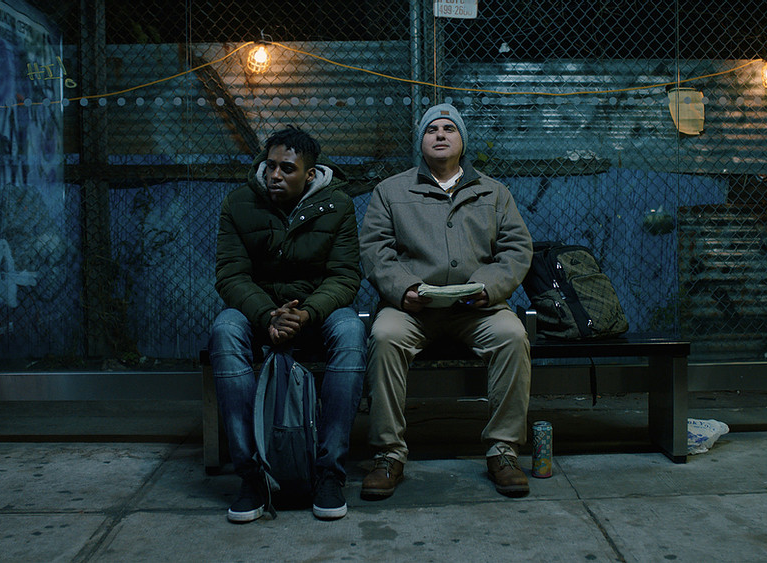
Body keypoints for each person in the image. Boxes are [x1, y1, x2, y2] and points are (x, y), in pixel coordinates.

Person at [359, 103, 534, 499]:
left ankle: (502, 451)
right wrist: (403, 288)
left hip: (477, 308)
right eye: (431, 129)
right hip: (413, 310)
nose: (440, 135)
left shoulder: (494, 192)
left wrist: (486, 287)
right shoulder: (390, 191)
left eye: (449, 129)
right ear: (421, 142)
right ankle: (389, 454)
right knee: (384, 336)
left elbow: (516, 249)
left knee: (512, 336)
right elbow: (375, 250)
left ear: (462, 141)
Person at [208, 126, 365, 523]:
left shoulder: (338, 205)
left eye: (287, 169)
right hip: (260, 311)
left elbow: (345, 276)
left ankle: (329, 473)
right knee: (225, 329)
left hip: (316, 311)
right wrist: (268, 315)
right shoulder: (239, 203)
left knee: (351, 330)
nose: (275, 175)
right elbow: (230, 275)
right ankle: (252, 475)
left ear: (309, 175)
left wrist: (307, 312)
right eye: (270, 166)